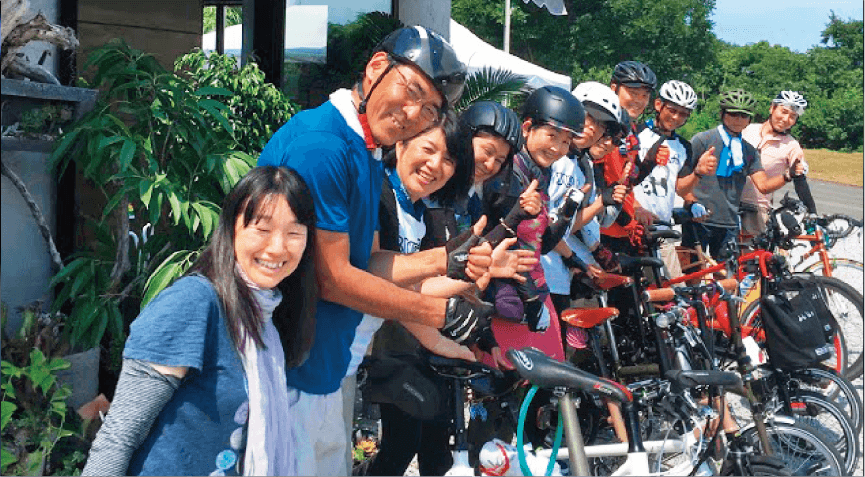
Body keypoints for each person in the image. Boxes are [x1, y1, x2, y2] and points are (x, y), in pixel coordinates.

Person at [256, 26, 496, 475]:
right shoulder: (323, 144)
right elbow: (333, 279)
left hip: (326, 366)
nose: (412, 113)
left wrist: (445, 259)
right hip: (289, 369)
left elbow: (365, 263)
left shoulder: (363, 150)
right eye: (410, 91)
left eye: (429, 109)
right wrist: (437, 313)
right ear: (375, 68)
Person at [82, 166, 318, 476]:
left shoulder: (267, 315)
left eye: (293, 233)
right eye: (261, 229)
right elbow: (119, 436)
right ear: (231, 229)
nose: (277, 247)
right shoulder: (193, 303)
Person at [481, 85, 586, 358]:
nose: (557, 148)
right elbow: (504, 241)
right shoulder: (509, 172)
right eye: (551, 135)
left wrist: (566, 212)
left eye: (565, 142)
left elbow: (540, 245)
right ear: (527, 128)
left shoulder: (540, 173)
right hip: (501, 294)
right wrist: (530, 299)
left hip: (531, 288)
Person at [684, 88, 806, 259]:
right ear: (722, 113)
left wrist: (787, 176)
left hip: (728, 222)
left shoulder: (748, 150)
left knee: (729, 277)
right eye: (733, 114)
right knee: (693, 274)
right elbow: (681, 178)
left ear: (749, 119)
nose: (738, 120)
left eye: (743, 115)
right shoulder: (703, 140)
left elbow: (763, 186)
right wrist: (691, 202)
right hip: (698, 219)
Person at [632, 80, 718, 278]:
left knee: (671, 290)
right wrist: (636, 207)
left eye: (683, 114)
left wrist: (698, 172)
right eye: (672, 110)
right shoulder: (635, 135)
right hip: (633, 227)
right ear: (657, 105)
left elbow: (679, 188)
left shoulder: (683, 146)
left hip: (662, 229)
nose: (676, 117)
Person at [595, 60, 659, 260]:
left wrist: (648, 164)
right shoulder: (602, 129)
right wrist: (627, 220)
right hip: (601, 232)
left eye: (644, 95)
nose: (639, 100)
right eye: (633, 93)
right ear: (614, 88)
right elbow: (599, 184)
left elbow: (626, 181)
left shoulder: (631, 131)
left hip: (625, 232)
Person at [740, 90, 815, 236]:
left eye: (793, 116)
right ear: (772, 108)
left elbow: (800, 181)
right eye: (783, 111)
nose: (786, 119)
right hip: (728, 202)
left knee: (753, 256)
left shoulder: (792, 146)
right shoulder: (747, 130)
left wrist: (812, 212)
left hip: (756, 209)